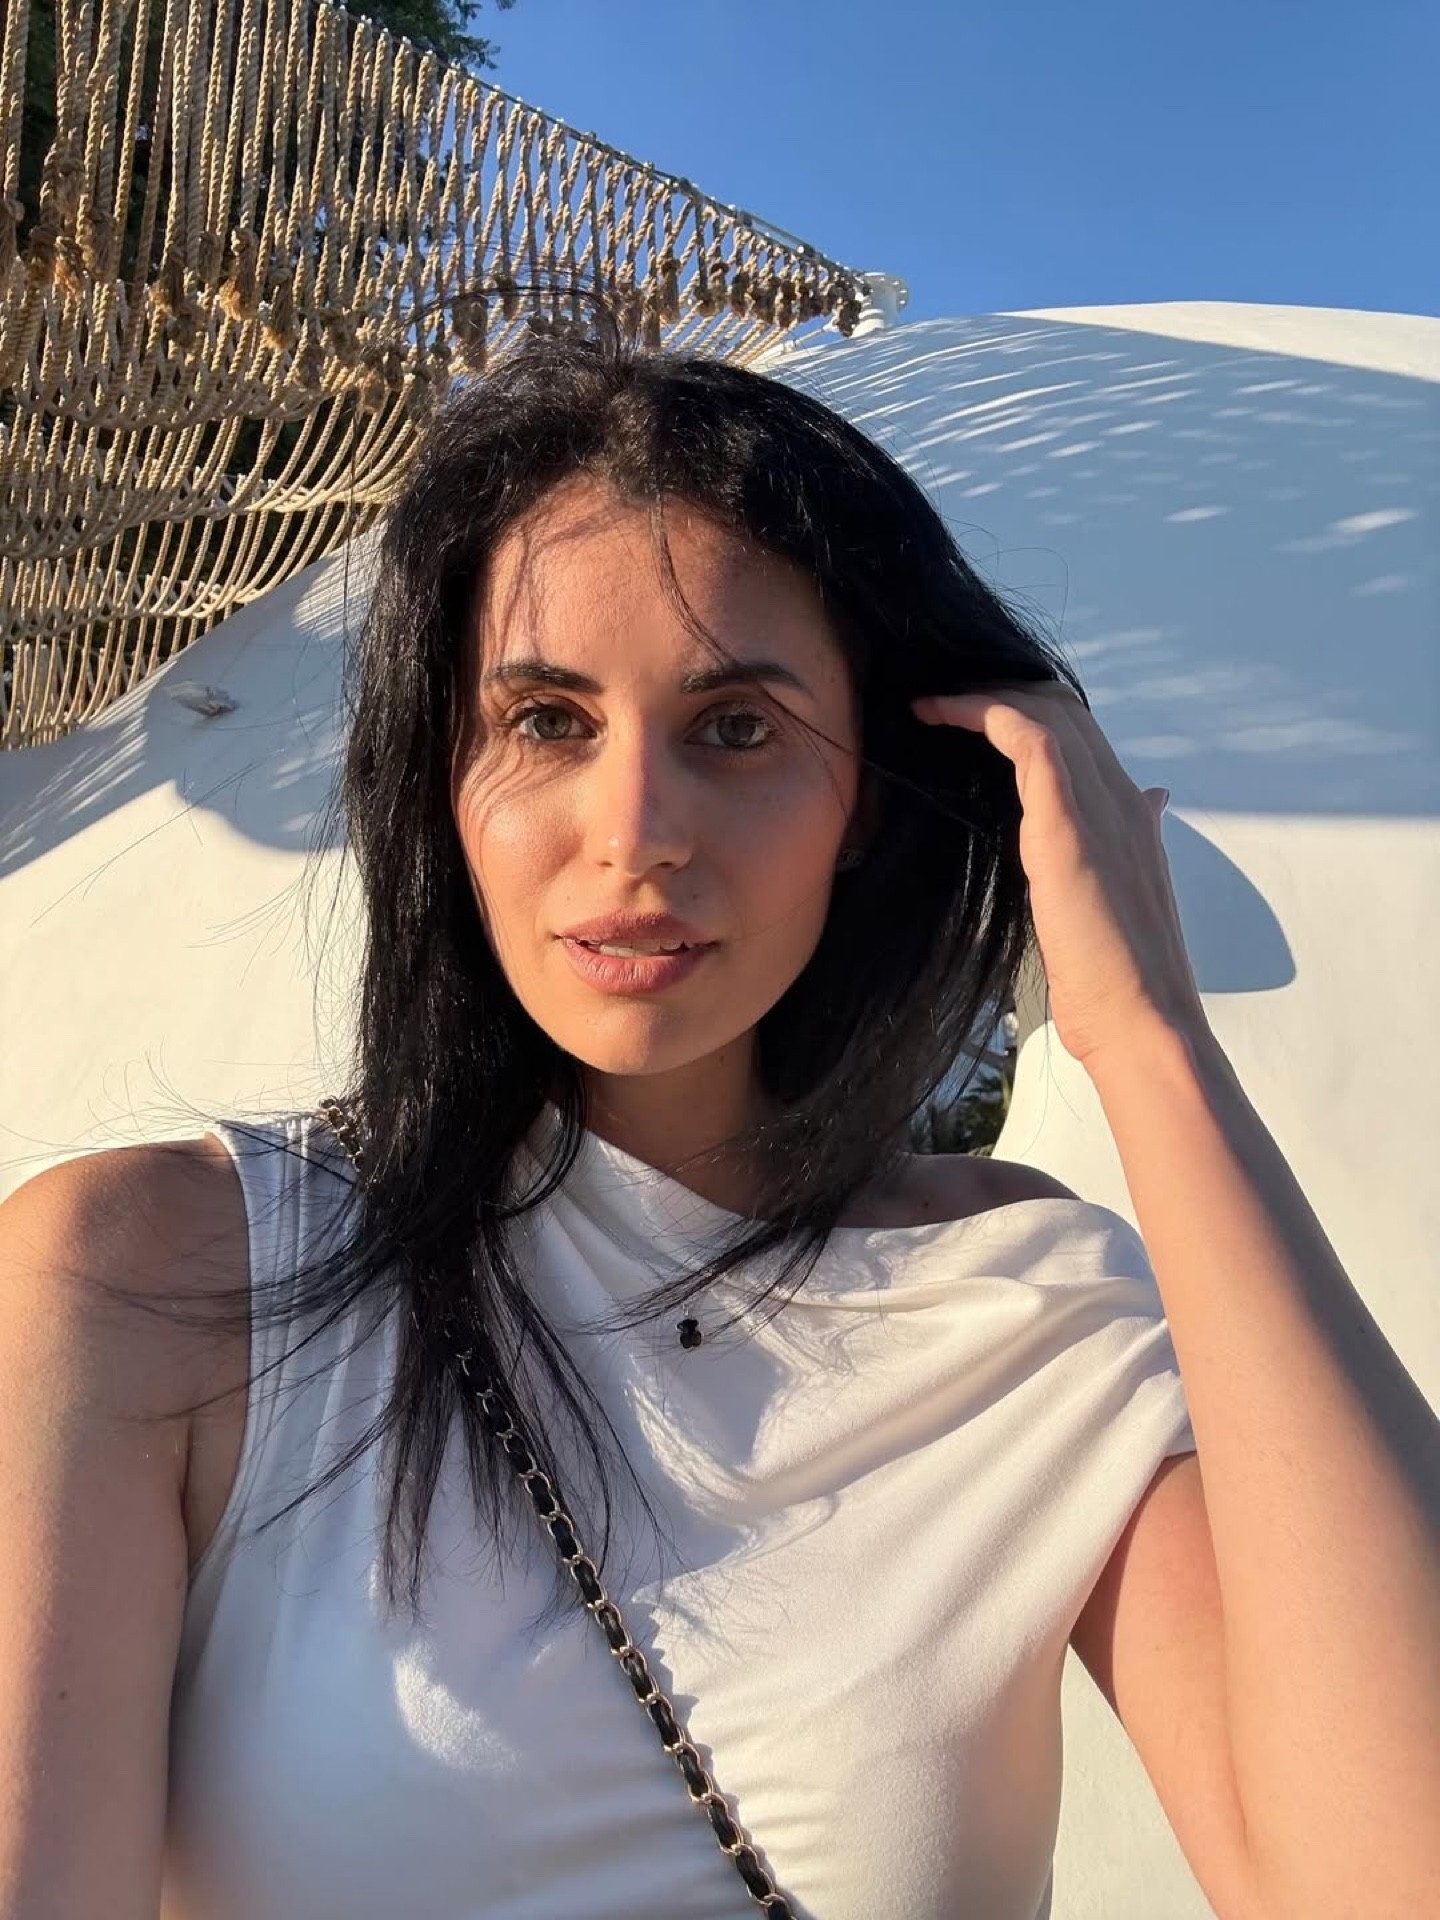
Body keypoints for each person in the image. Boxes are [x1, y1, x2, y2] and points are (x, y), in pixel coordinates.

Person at [0, 311, 1204, 1918]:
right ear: (442, 778)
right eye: (547, 722)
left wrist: (1154, 1044)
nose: (633, 832)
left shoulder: (1026, 1311)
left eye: (738, 728)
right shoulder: (159, 1280)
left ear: (864, 798)